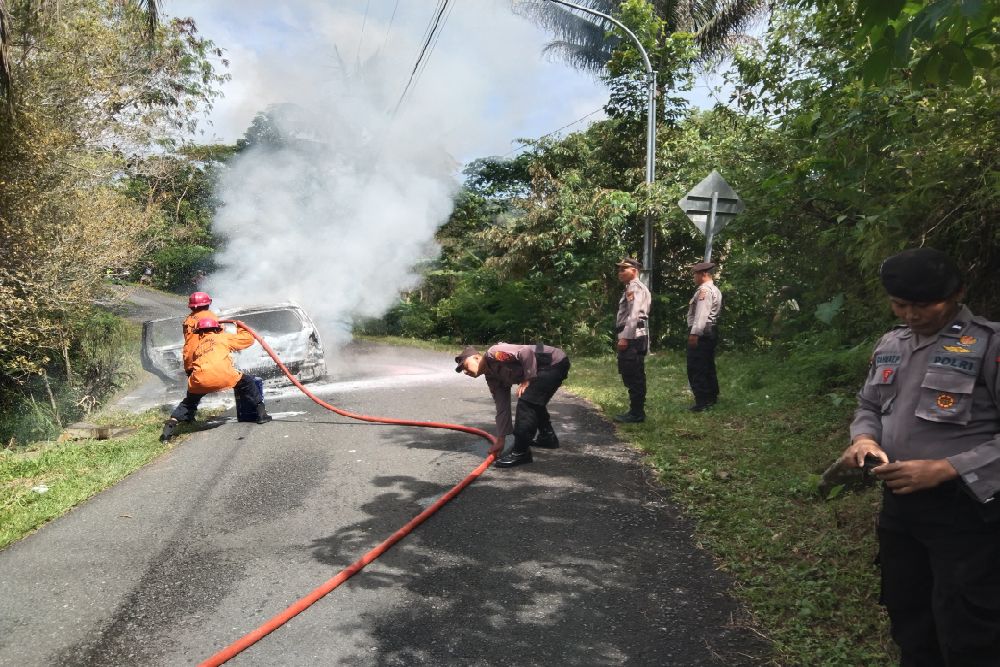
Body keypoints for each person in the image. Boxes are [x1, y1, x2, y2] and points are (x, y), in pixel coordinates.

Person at [838, 247, 1000, 666]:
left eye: (924, 305)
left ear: (959, 292)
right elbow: (869, 405)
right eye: (900, 304)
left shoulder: (988, 345)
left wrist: (947, 468)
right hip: (900, 505)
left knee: (969, 624)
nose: (912, 315)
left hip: (968, 511)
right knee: (908, 611)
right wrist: (863, 441)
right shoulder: (891, 343)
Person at [456, 342, 571, 468]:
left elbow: (525, 352)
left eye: (465, 366)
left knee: (526, 403)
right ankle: (547, 438)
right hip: (543, 368)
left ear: (477, 358)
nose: (465, 372)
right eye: (462, 370)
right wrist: (501, 440)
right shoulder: (492, 378)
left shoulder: (494, 353)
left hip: (553, 363)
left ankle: (520, 452)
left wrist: (528, 378)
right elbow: (502, 407)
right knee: (534, 399)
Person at [160, 317, 272, 441]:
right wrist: (241, 326)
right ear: (217, 329)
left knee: (189, 402)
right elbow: (248, 340)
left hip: (199, 380)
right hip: (225, 377)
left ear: (200, 332)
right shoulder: (222, 337)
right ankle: (262, 414)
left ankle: (169, 428)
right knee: (248, 382)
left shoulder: (198, 346)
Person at [613, 257, 651, 423]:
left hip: (633, 336)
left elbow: (633, 314)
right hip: (633, 335)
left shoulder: (634, 288)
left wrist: (625, 337)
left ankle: (637, 413)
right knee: (631, 373)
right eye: (619, 269)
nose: (620, 273)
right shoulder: (631, 288)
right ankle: (635, 411)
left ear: (634, 271)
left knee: (633, 374)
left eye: (624, 269)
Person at [686, 260, 723, 411]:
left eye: (695, 274)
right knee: (707, 366)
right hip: (709, 331)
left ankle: (702, 401)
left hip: (702, 333)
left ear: (704, 274)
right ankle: (711, 397)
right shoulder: (714, 289)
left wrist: (694, 333)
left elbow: (701, 314)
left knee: (697, 367)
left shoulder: (705, 291)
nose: (693, 277)